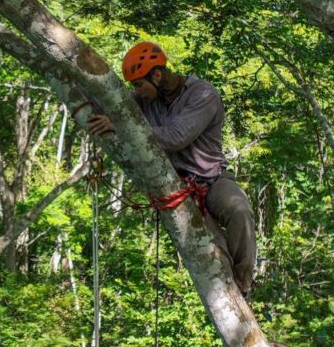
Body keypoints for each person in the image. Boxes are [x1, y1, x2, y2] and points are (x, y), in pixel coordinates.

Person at [88, 42, 257, 295]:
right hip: (178, 186)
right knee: (216, 251)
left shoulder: (202, 95)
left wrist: (119, 126)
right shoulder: (148, 99)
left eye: (140, 85)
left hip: (212, 178)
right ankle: (231, 289)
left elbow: (176, 136)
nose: (138, 92)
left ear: (157, 75)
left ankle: (243, 283)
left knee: (239, 209)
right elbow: (111, 103)